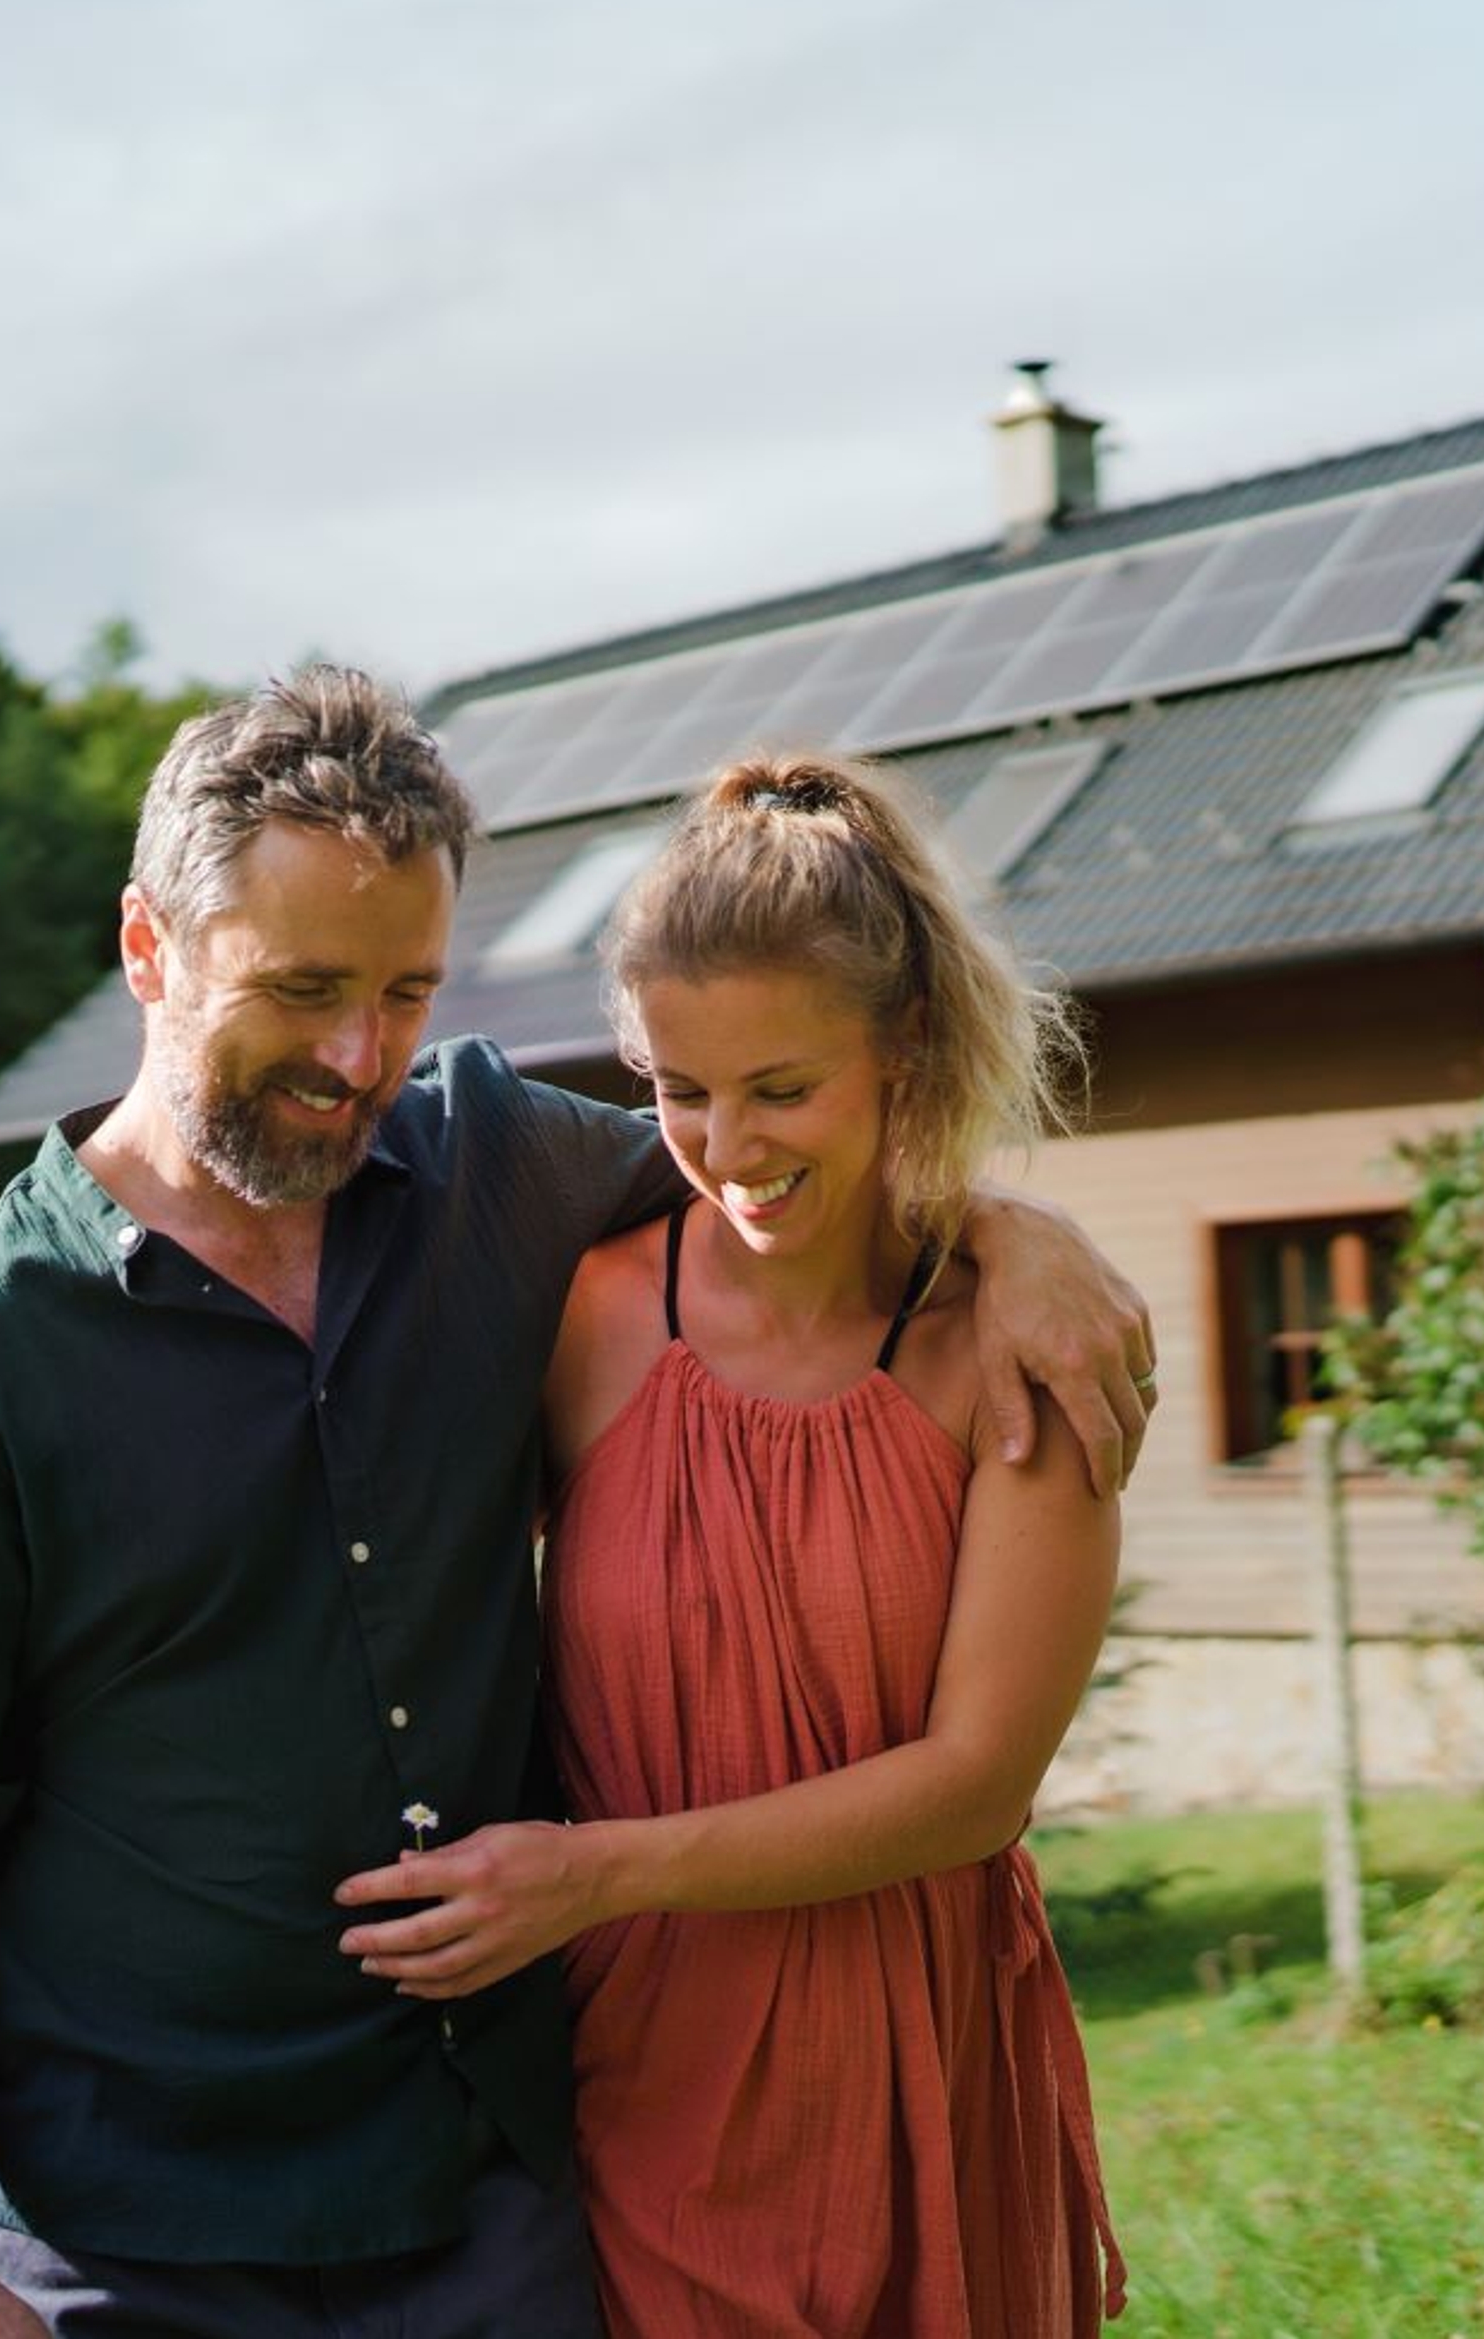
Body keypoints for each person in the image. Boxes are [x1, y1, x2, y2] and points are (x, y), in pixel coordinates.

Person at [0, 670, 1152, 2338]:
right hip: (129, 2233)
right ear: (148, 950)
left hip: (490, 2189)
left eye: (405, 990)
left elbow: (799, 1165)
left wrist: (1020, 1232)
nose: (359, 1057)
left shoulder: (499, 1169)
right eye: (300, 989)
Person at [333, 752, 1128, 2335]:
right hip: (646, 2073)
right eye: (678, 1091)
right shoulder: (590, 1314)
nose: (728, 1143)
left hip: (926, 2056)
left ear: (901, 1048)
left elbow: (978, 1787)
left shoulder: (1020, 1354)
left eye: (782, 1088)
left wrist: (589, 1873)